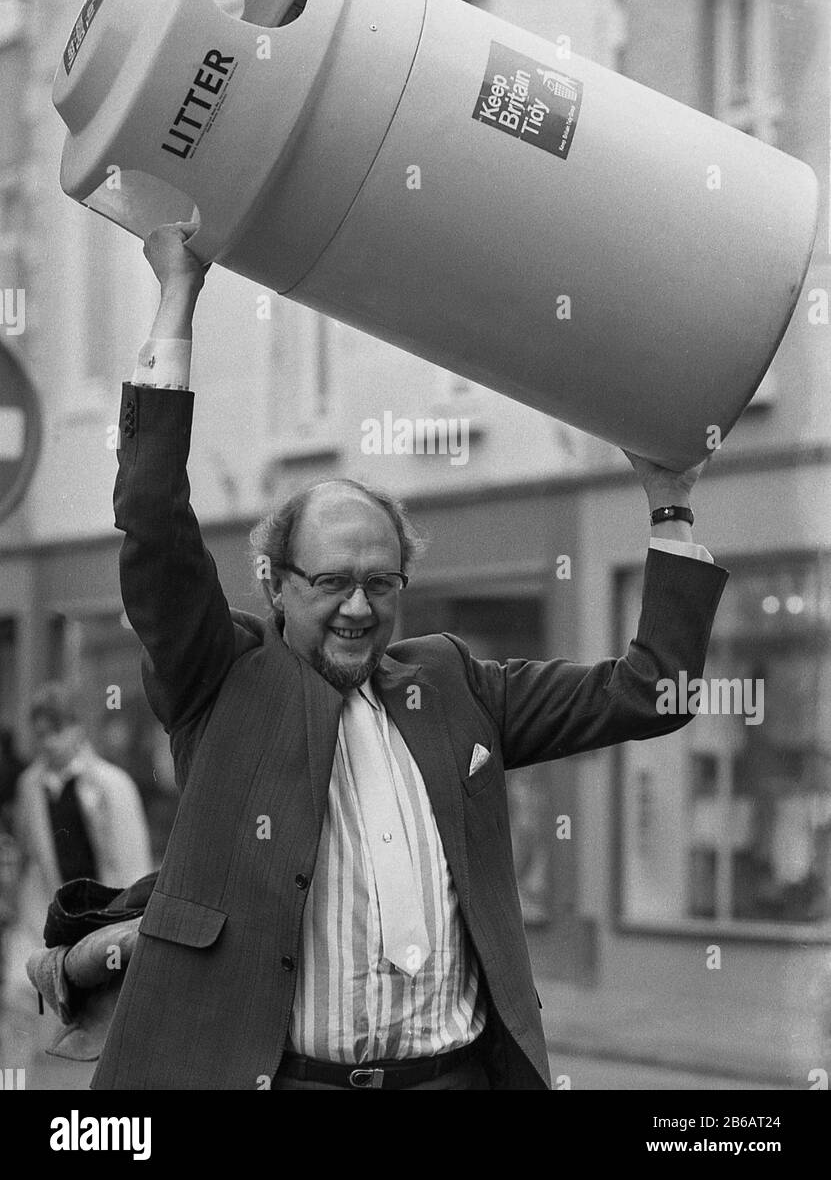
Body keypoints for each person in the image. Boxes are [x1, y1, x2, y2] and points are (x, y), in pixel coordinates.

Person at [92, 223, 728, 1091]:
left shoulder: (450, 679)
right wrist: (178, 294)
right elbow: (156, 524)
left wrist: (669, 509)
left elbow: (652, 693)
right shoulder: (221, 678)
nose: (360, 608)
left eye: (382, 583)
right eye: (332, 583)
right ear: (275, 583)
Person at [15, 682, 153, 925]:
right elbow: (27, 855)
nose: (49, 743)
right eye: (41, 735)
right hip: (52, 915)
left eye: (56, 732)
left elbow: (133, 860)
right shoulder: (30, 785)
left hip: (106, 912)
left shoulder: (112, 783)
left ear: (78, 728)